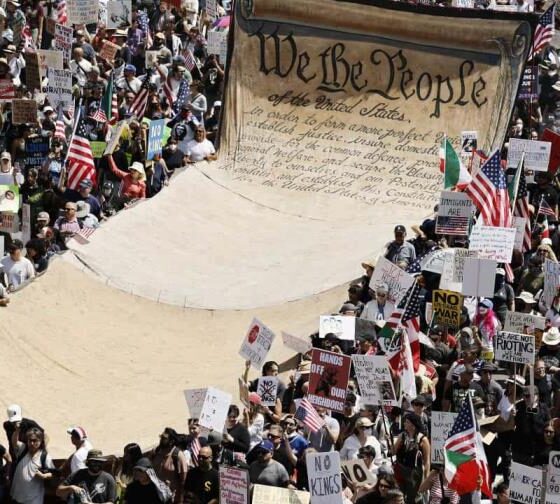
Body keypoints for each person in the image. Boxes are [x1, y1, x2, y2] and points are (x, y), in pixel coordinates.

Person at [10, 427, 55, 504]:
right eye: (30, 440)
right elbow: (14, 442)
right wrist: (17, 430)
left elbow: (53, 473)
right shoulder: (23, 449)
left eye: (35, 441)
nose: (32, 443)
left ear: (40, 441)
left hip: (34, 499)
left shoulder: (44, 456)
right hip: (17, 497)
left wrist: (44, 476)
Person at [393, 413, 430, 504]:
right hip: (401, 470)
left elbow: (427, 461)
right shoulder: (402, 436)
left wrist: (426, 479)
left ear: (413, 425)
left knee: (414, 498)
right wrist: (390, 440)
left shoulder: (423, 439)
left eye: (407, 422)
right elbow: (393, 452)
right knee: (399, 496)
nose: (404, 424)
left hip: (415, 474)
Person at [149, 427, 187, 503]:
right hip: (155, 495)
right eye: (161, 437)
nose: (161, 440)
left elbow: (183, 481)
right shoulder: (155, 452)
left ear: (171, 441)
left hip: (171, 498)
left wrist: (180, 500)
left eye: (164, 438)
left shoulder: (178, 455)